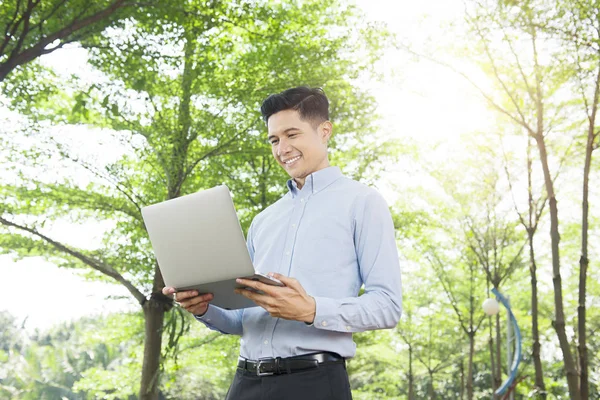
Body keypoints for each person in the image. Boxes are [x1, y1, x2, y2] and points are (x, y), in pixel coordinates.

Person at [162, 86, 402, 400]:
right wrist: (204, 308)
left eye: (292, 134)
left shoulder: (362, 202)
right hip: (245, 382)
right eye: (274, 140)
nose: (282, 148)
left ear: (324, 131)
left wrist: (311, 309)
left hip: (313, 383)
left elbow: (387, 306)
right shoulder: (264, 220)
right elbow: (240, 318)